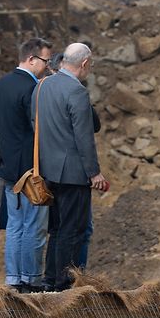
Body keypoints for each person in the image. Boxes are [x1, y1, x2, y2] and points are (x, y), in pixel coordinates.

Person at [36, 42, 109, 291]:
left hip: (49, 170)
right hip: (73, 173)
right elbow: (84, 137)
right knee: (72, 228)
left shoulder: (43, 86)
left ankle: (49, 279)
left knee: (56, 228)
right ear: (85, 64)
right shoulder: (76, 91)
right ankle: (63, 283)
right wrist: (94, 172)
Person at [0, 37, 52, 292]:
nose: (48, 67)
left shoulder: (1, 84)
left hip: (8, 168)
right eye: (45, 61)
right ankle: (31, 278)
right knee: (34, 227)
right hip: (31, 170)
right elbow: (38, 128)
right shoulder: (34, 88)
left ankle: (13, 278)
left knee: (14, 225)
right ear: (31, 59)